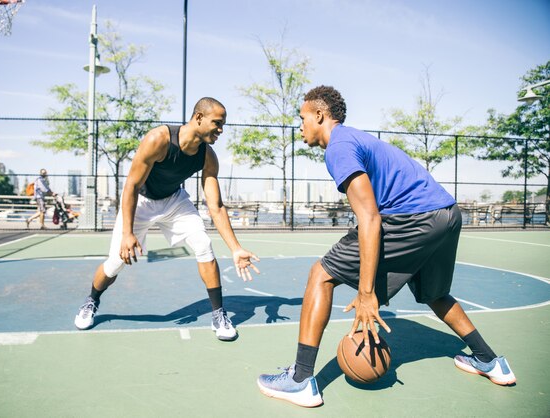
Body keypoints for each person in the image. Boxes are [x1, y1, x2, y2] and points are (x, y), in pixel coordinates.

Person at [257, 86, 516, 407]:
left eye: (302, 118)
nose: (300, 126)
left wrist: (367, 293)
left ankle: (299, 380)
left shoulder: (338, 147)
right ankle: (490, 360)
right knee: (435, 294)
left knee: (320, 274)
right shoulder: (358, 139)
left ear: (320, 115)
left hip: (414, 217)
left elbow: (370, 218)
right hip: (447, 214)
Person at [74, 97, 260, 341]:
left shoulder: (207, 156)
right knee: (115, 263)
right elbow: (131, 185)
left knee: (204, 244)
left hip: (174, 201)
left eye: (223, 124)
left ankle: (218, 315)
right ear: (199, 118)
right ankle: (91, 300)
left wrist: (235, 248)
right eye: (217, 123)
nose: (221, 130)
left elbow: (215, 205)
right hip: (141, 201)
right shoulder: (159, 139)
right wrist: (128, 234)